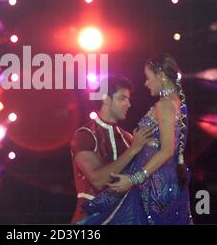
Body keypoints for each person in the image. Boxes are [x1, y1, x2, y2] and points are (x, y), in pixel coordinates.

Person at [78, 54, 193, 225]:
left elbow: (168, 150)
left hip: (155, 186)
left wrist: (134, 179)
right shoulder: (174, 103)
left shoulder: (165, 105)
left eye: (148, 78)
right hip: (159, 182)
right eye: (123, 98)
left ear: (161, 75)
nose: (146, 83)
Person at [70, 76, 154, 224]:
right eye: (122, 98)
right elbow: (98, 180)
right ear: (106, 99)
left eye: (128, 99)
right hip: (90, 218)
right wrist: (133, 149)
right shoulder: (84, 135)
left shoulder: (128, 138)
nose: (128, 104)